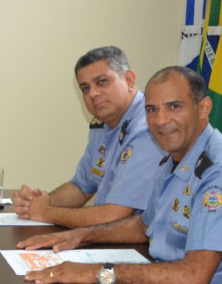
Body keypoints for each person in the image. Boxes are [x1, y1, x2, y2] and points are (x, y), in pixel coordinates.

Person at [17, 66, 222, 284]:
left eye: (174, 107)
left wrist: (97, 272)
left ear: (203, 108)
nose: (160, 121)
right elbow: (146, 224)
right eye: (152, 109)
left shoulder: (220, 173)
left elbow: (193, 276)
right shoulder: (176, 158)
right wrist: (81, 235)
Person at [13, 46, 163, 227]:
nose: (92, 93)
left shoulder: (148, 130)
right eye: (85, 88)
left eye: (102, 82)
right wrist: (37, 203)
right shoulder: (102, 126)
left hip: (143, 245)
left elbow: (114, 215)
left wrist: (46, 212)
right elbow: (80, 188)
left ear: (129, 80)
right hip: (106, 237)